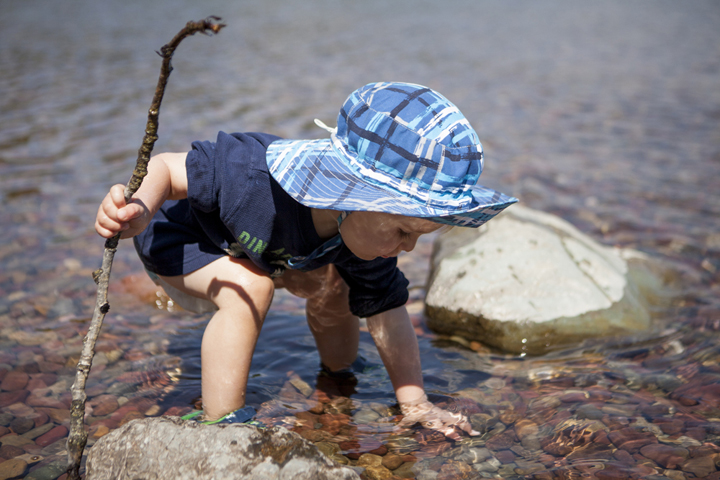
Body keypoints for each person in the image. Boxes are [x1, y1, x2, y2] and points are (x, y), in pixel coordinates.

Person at [95, 81, 517, 440]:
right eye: (404, 231)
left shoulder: (365, 238)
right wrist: (139, 208)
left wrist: (416, 403)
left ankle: (339, 375)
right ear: (353, 196)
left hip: (266, 252)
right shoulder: (250, 176)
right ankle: (221, 425)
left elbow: (388, 311)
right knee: (250, 288)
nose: (407, 248)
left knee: (335, 286)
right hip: (180, 237)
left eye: (417, 236)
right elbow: (167, 168)